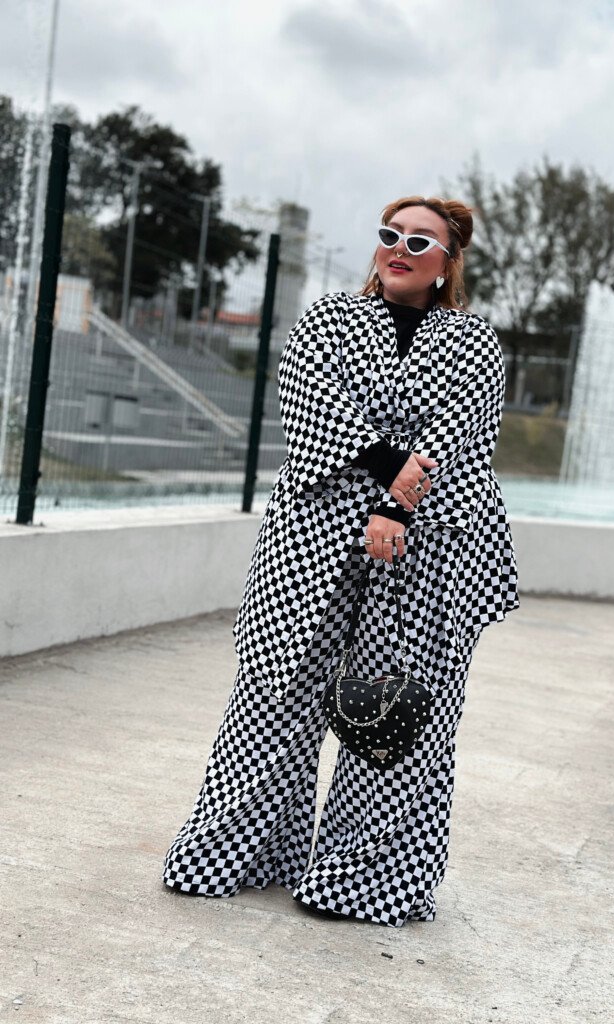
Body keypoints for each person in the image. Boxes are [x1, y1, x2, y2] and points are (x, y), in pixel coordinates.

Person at [162, 195, 520, 928]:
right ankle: (235, 852)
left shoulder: (475, 340)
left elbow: (461, 433)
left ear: (448, 260)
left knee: (394, 708)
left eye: (420, 241)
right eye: (391, 235)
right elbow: (309, 404)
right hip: (311, 530)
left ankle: (363, 878)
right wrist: (393, 465)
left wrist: (398, 506)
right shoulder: (327, 318)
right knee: (274, 691)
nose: (400, 249)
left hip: (423, 542)